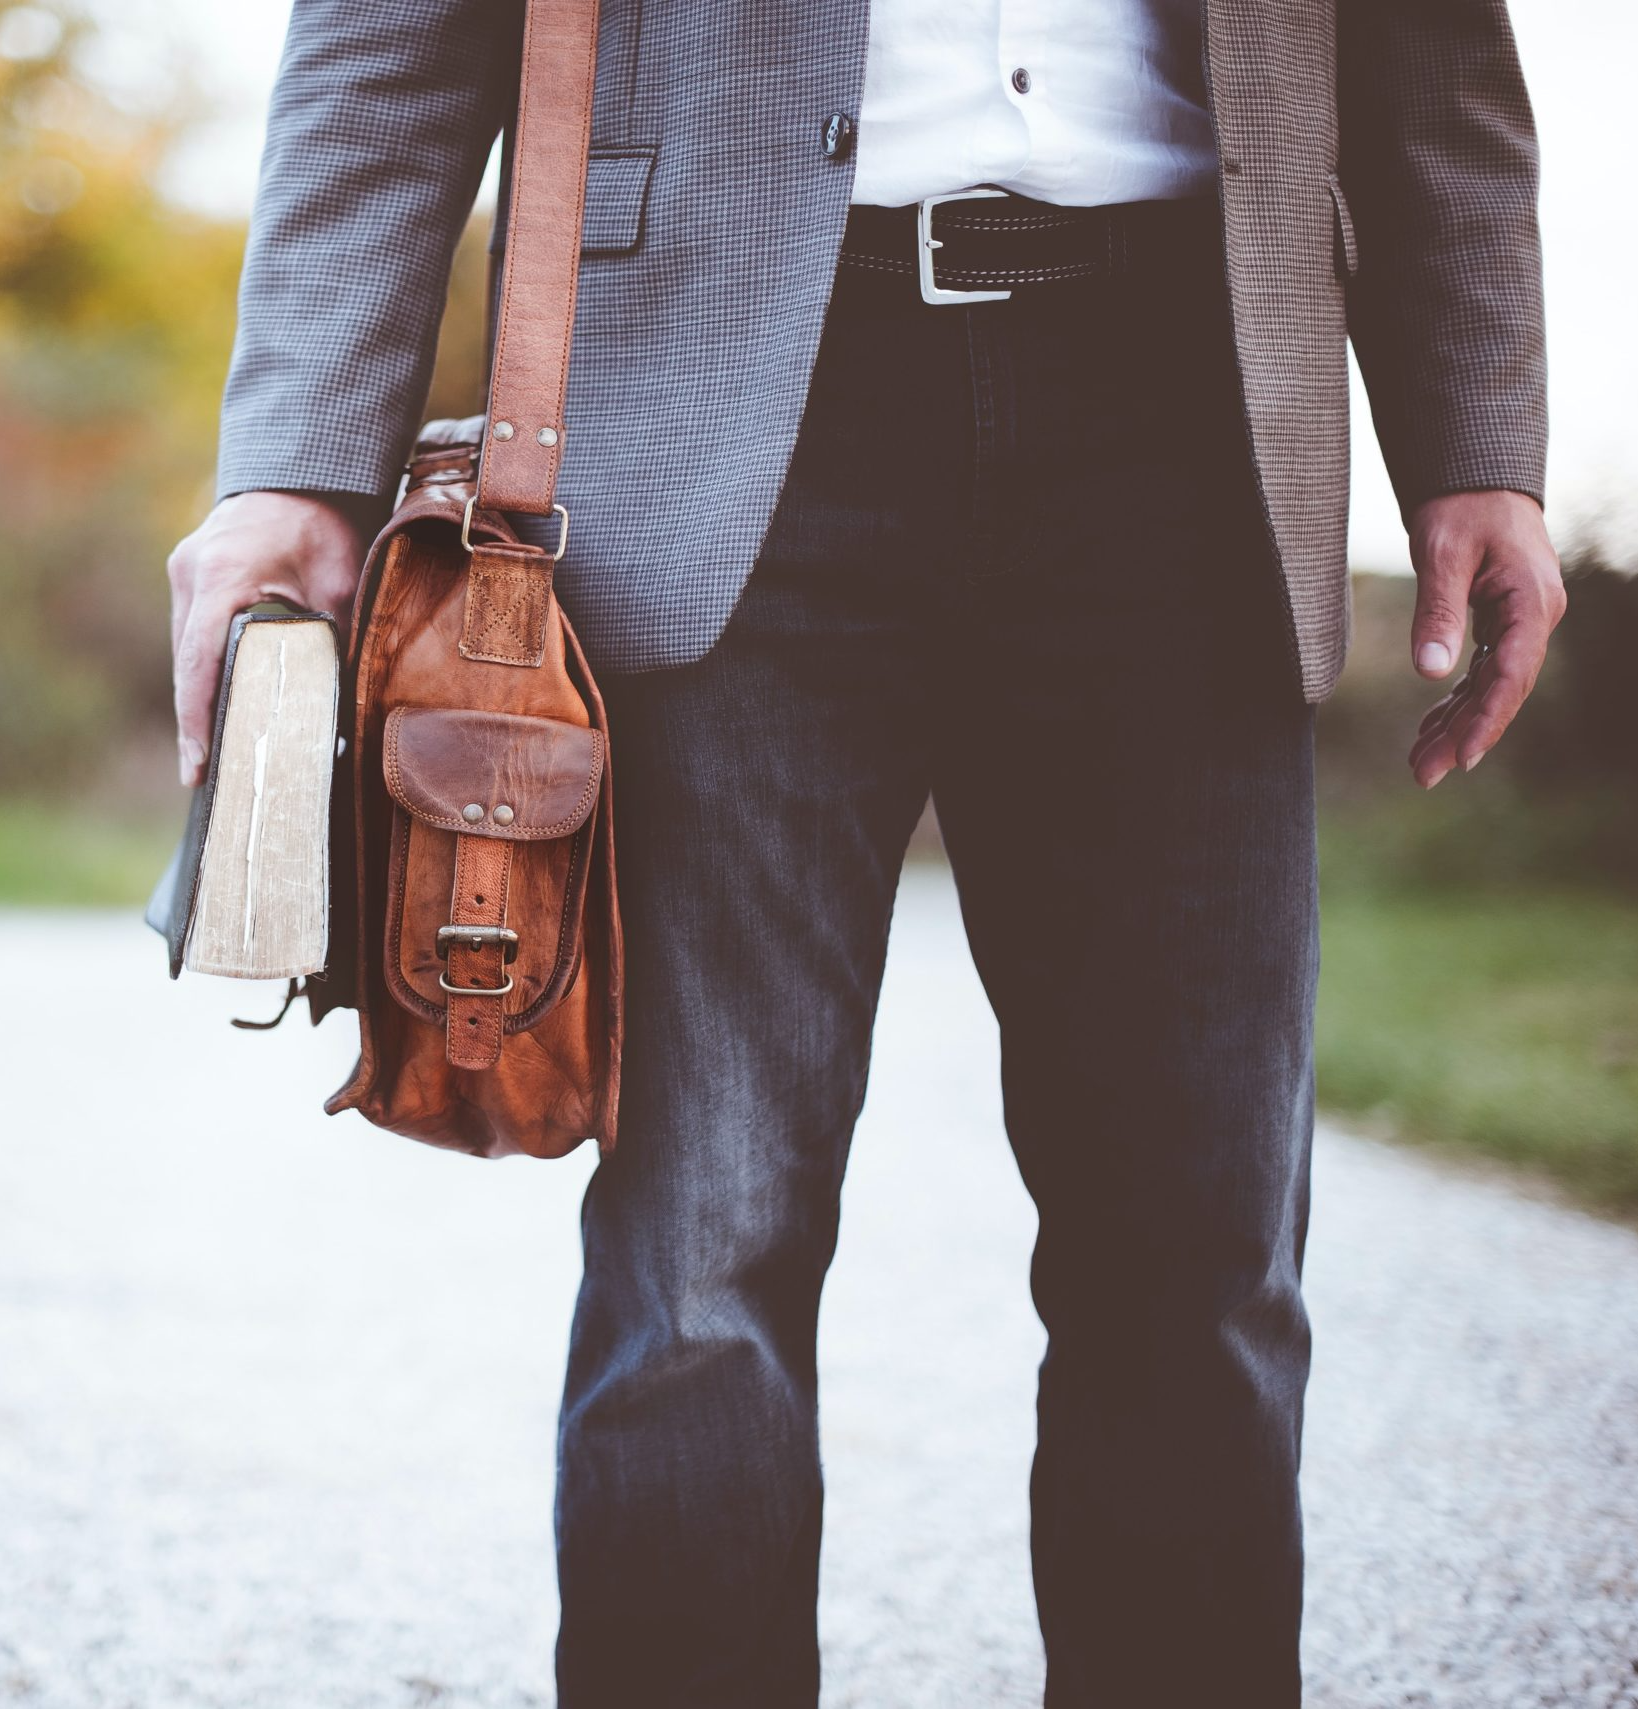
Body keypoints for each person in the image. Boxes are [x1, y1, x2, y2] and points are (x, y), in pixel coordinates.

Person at [165, 1, 1563, 1703]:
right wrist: (294, 459)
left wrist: (1477, 432)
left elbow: (1427, 59)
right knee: (699, 1251)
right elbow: (385, 47)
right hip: (725, 403)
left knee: (1197, 1256)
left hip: (1189, 411)